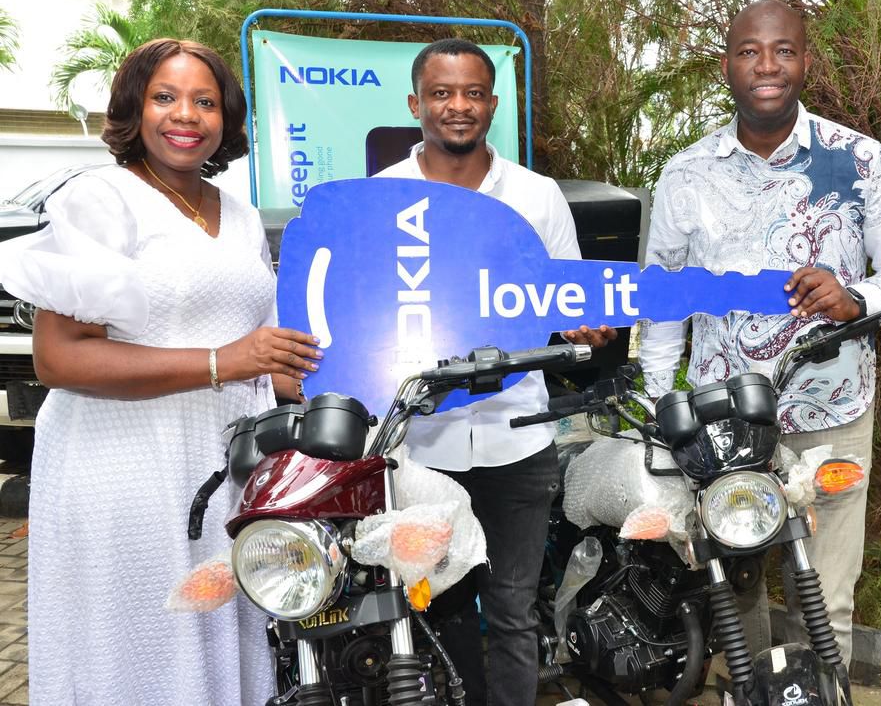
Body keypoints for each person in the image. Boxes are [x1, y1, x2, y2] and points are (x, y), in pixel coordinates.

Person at [0, 39, 322, 705]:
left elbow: (252, 347)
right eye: (166, 97)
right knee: (138, 639)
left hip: (219, 462)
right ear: (135, 108)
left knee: (214, 629)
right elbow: (58, 357)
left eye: (205, 101)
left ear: (226, 119)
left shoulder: (237, 212)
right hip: (121, 465)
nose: (187, 115)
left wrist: (298, 374)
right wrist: (224, 361)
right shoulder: (101, 198)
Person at [639, 0, 881, 664]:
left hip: (830, 414)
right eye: (749, 51)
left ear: (805, 60)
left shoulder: (857, 161)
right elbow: (664, 300)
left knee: (823, 603)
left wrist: (856, 298)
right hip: (722, 426)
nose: (766, 66)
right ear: (727, 65)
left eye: (782, 51)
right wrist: (661, 401)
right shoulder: (686, 174)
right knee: (736, 600)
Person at [376, 37, 614, 706]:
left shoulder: (537, 196)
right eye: (443, 93)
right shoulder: (380, 197)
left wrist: (586, 324)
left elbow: (573, 297)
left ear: (493, 103)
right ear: (415, 103)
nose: (459, 107)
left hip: (520, 438)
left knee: (513, 610)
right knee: (435, 607)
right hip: (423, 445)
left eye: (473, 93)